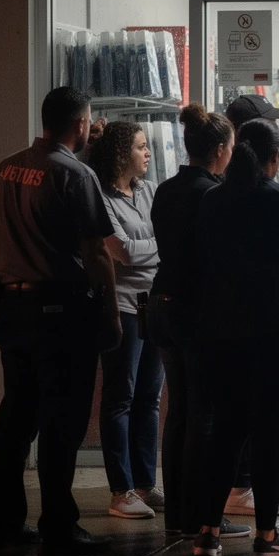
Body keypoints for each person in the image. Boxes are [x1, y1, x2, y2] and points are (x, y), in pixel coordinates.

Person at [0, 86, 121, 555]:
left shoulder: (5, 169)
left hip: (10, 307)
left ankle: (3, 523)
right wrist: (109, 311)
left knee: (16, 417)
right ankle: (59, 525)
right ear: (80, 124)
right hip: (59, 312)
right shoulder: (74, 175)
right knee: (62, 421)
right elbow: (97, 252)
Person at [192, 119, 279, 556]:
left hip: (222, 333)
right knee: (270, 433)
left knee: (227, 431)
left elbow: (203, 259)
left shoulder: (213, 201)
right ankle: (268, 537)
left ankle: (207, 534)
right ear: (275, 157)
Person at [147, 103, 249, 541]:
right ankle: (201, 516)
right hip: (198, 311)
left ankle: (177, 515)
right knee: (205, 415)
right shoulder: (216, 195)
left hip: (162, 304)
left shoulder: (166, 190)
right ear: (223, 150)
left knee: (179, 412)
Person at [88, 122, 164, 519]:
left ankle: (144, 485)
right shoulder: (101, 199)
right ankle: (120, 490)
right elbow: (123, 252)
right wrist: (160, 245)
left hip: (154, 306)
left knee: (149, 399)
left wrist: (150, 247)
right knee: (120, 397)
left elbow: (141, 249)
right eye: (140, 147)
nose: (148, 152)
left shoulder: (150, 192)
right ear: (121, 155)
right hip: (122, 306)